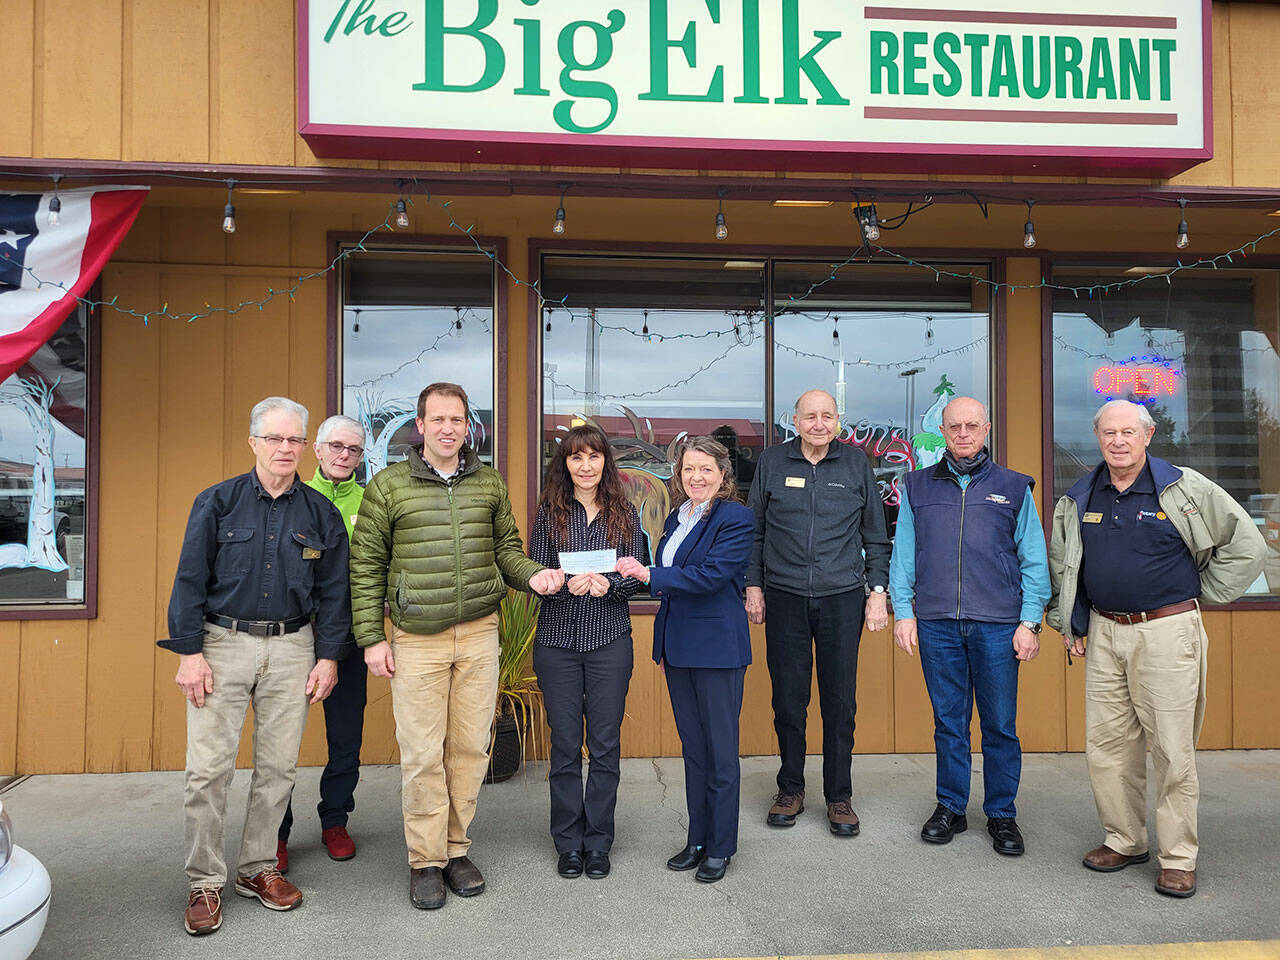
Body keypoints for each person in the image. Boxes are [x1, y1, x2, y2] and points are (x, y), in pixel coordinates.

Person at [350, 382, 564, 911]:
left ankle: (455, 849)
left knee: (469, 750)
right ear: (420, 426)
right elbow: (365, 568)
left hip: (477, 633)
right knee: (423, 754)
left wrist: (535, 577)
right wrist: (371, 638)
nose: (449, 428)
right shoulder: (388, 486)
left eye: (458, 419)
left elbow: (508, 551)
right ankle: (425, 860)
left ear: (469, 426)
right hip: (416, 639)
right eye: (438, 419)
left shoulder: (487, 483)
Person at [1047, 399, 1265, 899]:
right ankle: (1124, 839)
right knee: (1107, 747)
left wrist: (1201, 594)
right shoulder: (1081, 495)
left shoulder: (1182, 487)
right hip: (1104, 632)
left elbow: (1247, 543)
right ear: (1098, 438)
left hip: (1167, 633)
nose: (1118, 441)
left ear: (1148, 436)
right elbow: (1066, 563)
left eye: (1128, 432)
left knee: (1171, 747)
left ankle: (1178, 857)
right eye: (1109, 433)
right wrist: (1070, 621)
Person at [162, 397, 350, 937]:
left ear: (304, 445)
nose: (285, 448)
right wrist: (190, 653)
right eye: (275, 438)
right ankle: (204, 880)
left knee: (277, 769)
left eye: (294, 439)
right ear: (253, 443)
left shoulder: (321, 513)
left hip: (294, 647)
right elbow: (189, 579)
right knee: (208, 771)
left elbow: (334, 592)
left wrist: (329, 656)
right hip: (222, 644)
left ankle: (257, 868)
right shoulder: (216, 502)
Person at [889, 397, 1050, 855]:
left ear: (987, 429)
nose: (963, 433)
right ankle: (951, 807)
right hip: (937, 622)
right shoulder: (917, 486)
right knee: (949, 722)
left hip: (998, 625)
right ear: (943, 429)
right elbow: (904, 555)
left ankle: (1002, 814)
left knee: (1000, 725)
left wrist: (1030, 622)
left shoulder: (1015, 487)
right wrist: (904, 611)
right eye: (954, 426)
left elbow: (1033, 559)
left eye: (971, 426)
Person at [744, 389, 891, 836]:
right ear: (796, 420)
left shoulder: (855, 464)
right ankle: (790, 789)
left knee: (839, 700)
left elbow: (876, 536)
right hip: (785, 595)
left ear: (838, 421)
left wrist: (877, 591)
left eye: (828, 416)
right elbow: (754, 532)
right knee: (789, 698)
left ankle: (838, 796)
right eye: (811, 416)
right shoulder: (771, 462)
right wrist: (753, 585)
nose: (819, 424)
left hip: (842, 596)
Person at [617, 436, 755, 884]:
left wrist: (649, 574)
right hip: (678, 649)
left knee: (720, 753)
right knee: (695, 752)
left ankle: (721, 845)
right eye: (689, 469)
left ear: (723, 475)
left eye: (706, 470)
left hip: (717, 650)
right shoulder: (678, 515)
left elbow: (712, 576)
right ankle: (697, 839)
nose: (696, 477)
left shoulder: (736, 517)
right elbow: (676, 584)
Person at [529, 425, 648, 881]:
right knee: (563, 746)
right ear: (565, 465)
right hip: (557, 642)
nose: (585, 466)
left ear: (605, 463)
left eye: (593, 457)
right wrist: (562, 584)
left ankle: (598, 842)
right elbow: (537, 573)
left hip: (609, 642)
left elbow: (635, 573)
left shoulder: (624, 512)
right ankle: (568, 843)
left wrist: (609, 585)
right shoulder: (549, 513)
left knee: (604, 745)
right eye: (576, 458)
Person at [276, 415, 369, 872]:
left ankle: (335, 819)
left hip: (349, 635)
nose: (343, 456)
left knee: (346, 735)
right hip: (294, 634)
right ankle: (276, 831)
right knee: (280, 740)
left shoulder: (370, 502)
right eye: (336, 447)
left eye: (353, 450)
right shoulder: (293, 499)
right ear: (317, 448)